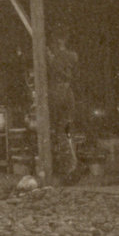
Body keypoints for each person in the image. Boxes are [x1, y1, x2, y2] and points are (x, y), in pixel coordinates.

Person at [48, 37, 79, 177]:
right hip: (68, 91)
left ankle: (67, 167)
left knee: (58, 129)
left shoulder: (55, 58)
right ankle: (71, 165)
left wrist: (50, 57)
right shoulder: (73, 56)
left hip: (58, 92)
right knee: (67, 129)